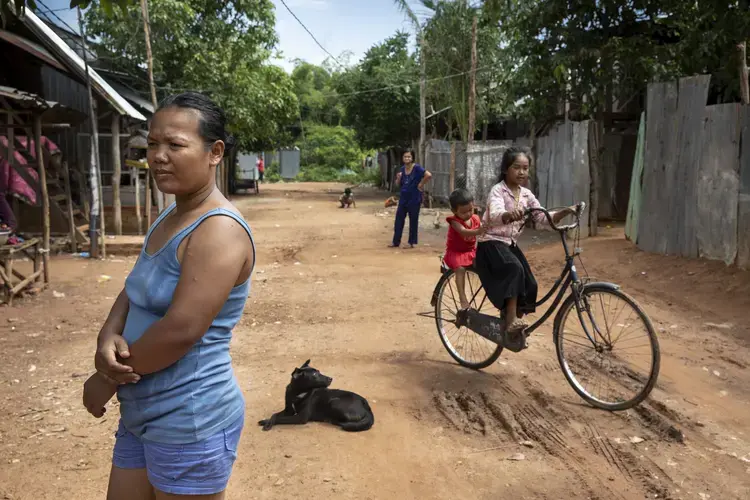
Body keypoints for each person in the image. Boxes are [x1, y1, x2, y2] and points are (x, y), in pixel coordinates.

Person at [82, 92, 255, 500]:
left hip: (189, 419)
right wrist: (107, 335)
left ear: (214, 153)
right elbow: (134, 287)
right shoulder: (171, 213)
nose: (158, 156)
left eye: (175, 145)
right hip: (141, 409)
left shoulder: (219, 230)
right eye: (152, 144)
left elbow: (180, 330)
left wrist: (106, 378)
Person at [474, 146, 576, 336]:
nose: (521, 172)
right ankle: (511, 319)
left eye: (525, 168)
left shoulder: (527, 195)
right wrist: (508, 214)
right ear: (506, 169)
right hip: (490, 242)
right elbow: (495, 213)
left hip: (509, 244)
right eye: (516, 167)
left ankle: (514, 324)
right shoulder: (498, 191)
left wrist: (566, 212)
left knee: (531, 283)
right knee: (515, 269)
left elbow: (542, 217)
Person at [444, 188, 486, 309]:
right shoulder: (454, 222)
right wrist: (478, 231)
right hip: (456, 253)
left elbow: (483, 229)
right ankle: (463, 300)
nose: (468, 214)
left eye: (470, 210)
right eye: (464, 212)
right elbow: (463, 232)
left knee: (488, 263)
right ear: (454, 211)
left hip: (471, 252)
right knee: (460, 269)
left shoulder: (475, 219)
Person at [389, 150, 432, 248]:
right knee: (399, 219)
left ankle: (411, 242)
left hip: (414, 197)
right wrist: (398, 178)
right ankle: (396, 242)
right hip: (404, 197)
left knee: (413, 220)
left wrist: (421, 184)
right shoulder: (402, 169)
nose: (407, 158)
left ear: (412, 158)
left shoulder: (417, 168)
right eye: (405, 157)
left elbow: (428, 175)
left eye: (409, 157)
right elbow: (397, 184)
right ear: (402, 158)